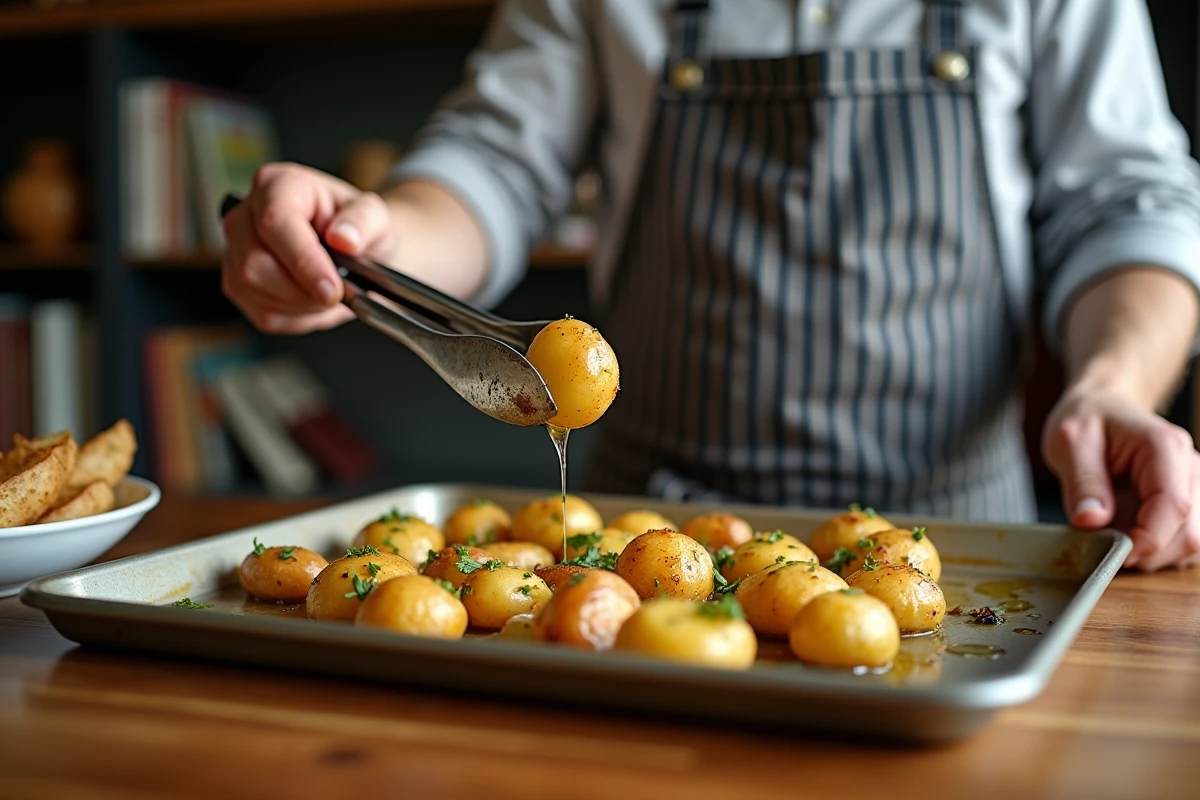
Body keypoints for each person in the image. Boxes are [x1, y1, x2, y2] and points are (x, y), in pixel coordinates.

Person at [220, 0, 1200, 571]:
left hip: (964, 542)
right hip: (646, 546)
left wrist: (1112, 380)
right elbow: (496, 170)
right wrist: (371, 245)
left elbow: (1127, 204)